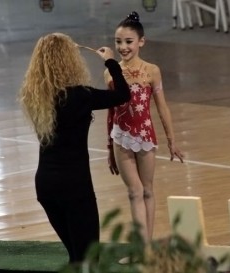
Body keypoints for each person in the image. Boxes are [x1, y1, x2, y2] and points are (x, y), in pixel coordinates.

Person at [18, 32, 131, 263]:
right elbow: (122, 94)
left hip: (46, 186)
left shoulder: (35, 96)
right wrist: (110, 61)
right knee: (88, 260)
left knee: (75, 257)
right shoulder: (80, 96)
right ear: (69, 60)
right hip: (75, 186)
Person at [105, 11, 184, 262]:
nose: (122, 47)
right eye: (118, 42)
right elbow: (110, 110)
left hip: (146, 136)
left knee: (148, 190)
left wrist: (172, 140)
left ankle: (147, 249)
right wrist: (109, 147)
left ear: (141, 42)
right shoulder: (111, 71)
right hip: (121, 137)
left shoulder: (152, 71)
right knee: (134, 191)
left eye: (128, 41)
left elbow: (162, 107)